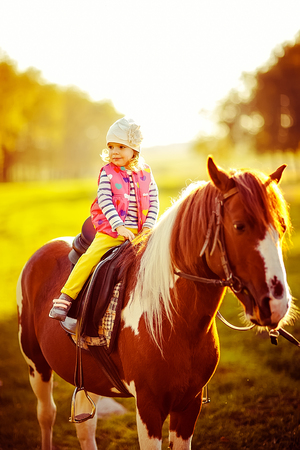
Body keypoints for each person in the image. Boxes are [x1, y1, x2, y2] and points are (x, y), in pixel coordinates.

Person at [49, 117, 159, 321]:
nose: (114, 151)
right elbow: (105, 200)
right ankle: (66, 297)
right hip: (113, 231)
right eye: (110, 146)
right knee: (90, 257)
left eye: (120, 146)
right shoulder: (107, 173)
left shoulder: (146, 173)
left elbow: (154, 202)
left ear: (134, 150)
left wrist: (149, 227)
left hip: (142, 233)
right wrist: (119, 227)